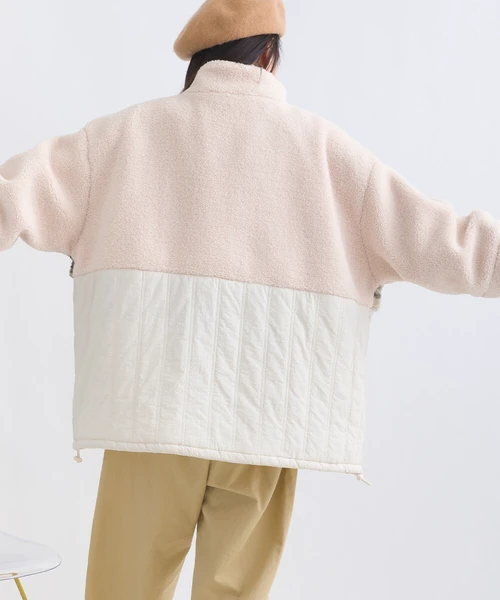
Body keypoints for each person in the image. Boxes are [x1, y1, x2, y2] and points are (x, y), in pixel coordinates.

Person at [1, 1, 499, 598]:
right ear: (268, 55)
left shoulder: (121, 138)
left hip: (152, 415)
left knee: (122, 591)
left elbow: (14, 194)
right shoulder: (329, 155)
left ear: (200, 59)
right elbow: (448, 244)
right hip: (266, 422)